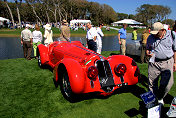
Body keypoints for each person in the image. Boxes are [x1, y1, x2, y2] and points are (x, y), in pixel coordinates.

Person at [146, 22, 176, 105]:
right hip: (154, 62)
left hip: (168, 62)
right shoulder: (150, 37)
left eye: (156, 33)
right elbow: (148, 48)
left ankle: (160, 97)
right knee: (152, 83)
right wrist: (147, 53)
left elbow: (175, 50)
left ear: (162, 30)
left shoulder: (172, 35)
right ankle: (152, 100)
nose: (154, 35)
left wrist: (175, 63)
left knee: (168, 84)